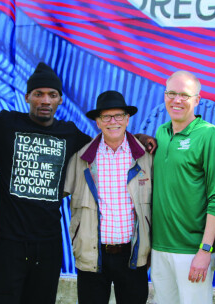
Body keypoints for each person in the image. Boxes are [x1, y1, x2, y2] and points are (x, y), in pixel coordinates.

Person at [0, 62, 156, 303]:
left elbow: (108, 140)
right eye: (38, 94)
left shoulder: (70, 134)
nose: (45, 100)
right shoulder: (5, 123)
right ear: (27, 97)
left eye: (52, 94)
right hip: (8, 244)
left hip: (48, 246)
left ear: (60, 100)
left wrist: (141, 137)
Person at [64, 90, 152, 304]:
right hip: (93, 255)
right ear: (98, 122)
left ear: (128, 119)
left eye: (119, 116)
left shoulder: (146, 157)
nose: (113, 122)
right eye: (106, 117)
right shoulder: (81, 158)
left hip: (132, 255)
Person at [151, 70, 215, 304]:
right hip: (159, 247)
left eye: (184, 95)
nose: (176, 100)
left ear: (197, 100)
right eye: (171, 93)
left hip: (192, 251)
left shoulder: (209, 135)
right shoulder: (161, 133)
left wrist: (205, 250)